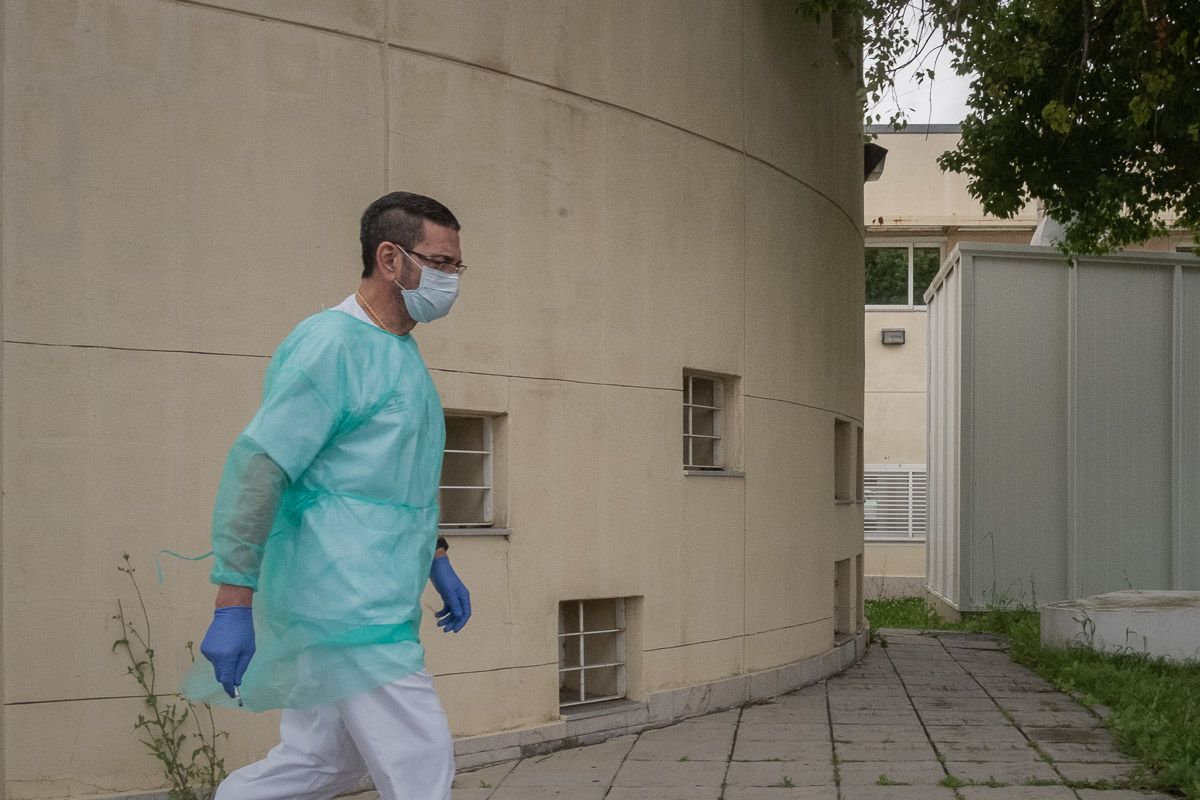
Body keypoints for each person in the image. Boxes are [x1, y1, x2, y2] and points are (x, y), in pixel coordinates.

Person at [183, 191, 472, 800]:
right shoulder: (331, 344)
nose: (451, 279)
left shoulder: (398, 352)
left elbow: (398, 481)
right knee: (421, 762)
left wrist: (436, 557)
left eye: (456, 267)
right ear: (390, 259)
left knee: (321, 763)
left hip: (371, 594)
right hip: (348, 602)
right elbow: (260, 467)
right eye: (440, 263)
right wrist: (232, 601)